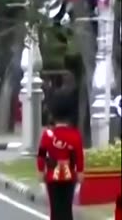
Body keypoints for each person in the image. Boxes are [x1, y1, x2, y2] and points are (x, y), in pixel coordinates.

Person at [38, 89, 85, 220]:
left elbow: (41, 154)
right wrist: (80, 171)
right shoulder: (75, 135)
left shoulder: (47, 135)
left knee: (55, 208)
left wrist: (41, 170)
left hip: (52, 176)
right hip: (70, 176)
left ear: (53, 114)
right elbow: (79, 155)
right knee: (66, 208)